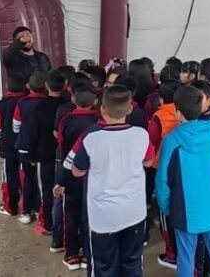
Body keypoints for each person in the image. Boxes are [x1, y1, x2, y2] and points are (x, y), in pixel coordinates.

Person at [65, 85, 155, 277]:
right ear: (130, 109)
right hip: (134, 212)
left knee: (103, 266)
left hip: (102, 216)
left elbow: (76, 171)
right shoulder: (141, 135)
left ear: (102, 110)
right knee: (132, 263)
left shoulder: (91, 138)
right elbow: (148, 162)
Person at [157, 86, 210, 277]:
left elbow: (163, 182)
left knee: (186, 256)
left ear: (177, 111)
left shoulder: (171, 141)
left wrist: (167, 208)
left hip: (185, 211)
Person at [54, 85, 100, 270]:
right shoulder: (98, 121)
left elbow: (61, 143)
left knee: (71, 214)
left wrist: (62, 179)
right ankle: (88, 254)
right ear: (95, 102)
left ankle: (72, 254)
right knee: (88, 214)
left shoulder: (66, 120)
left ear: (73, 99)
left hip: (70, 171)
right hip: (92, 175)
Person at [147, 82, 182, 269]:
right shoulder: (185, 113)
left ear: (161, 98)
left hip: (162, 166)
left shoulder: (158, 116)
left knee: (164, 207)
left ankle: (172, 254)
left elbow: (151, 140)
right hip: (183, 166)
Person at [30, 70, 70, 238]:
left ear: (46, 85)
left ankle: (47, 223)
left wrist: (31, 154)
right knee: (62, 189)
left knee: (46, 189)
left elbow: (34, 132)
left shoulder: (40, 105)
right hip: (64, 154)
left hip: (44, 153)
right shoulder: (68, 104)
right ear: (65, 86)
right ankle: (62, 224)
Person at [13, 72, 49, 225]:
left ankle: (26, 212)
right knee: (42, 182)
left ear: (28, 86)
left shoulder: (22, 103)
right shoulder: (48, 102)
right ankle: (40, 211)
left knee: (28, 180)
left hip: (25, 148)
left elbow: (16, 126)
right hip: (43, 148)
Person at [0, 73, 30, 218]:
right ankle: (27, 209)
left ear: (8, 86)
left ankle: (10, 207)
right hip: (25, 145)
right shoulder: (26, 101)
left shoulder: (1, 104)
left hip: (7, 146)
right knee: (25, 176)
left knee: (9, 177)